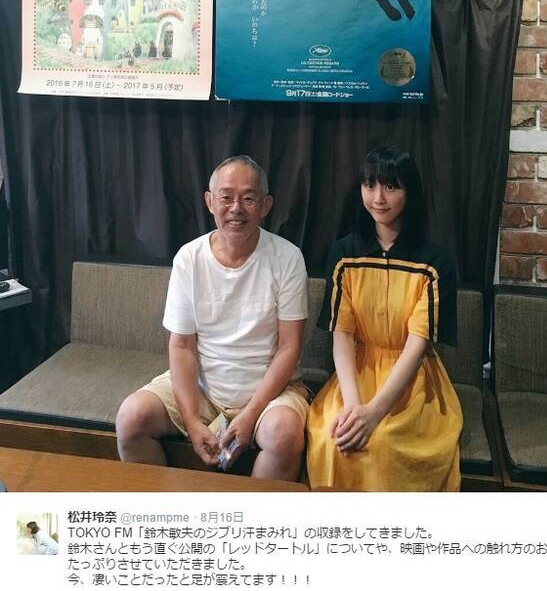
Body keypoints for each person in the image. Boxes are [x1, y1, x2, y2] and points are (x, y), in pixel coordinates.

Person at [116, 155, 308, 481]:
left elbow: (289, 347)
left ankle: (253, 515)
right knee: (131, 417)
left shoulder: (287, 257)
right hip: (203, 389)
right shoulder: (189, 258)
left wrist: (251, 414)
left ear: (266, 205)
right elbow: (181, 345)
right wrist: (192, 420)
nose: (236, 208)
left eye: (248, 199)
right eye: (226, 197)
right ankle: (159, 507)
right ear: (209, 202)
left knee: (284, 435)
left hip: (269, 393)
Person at [306, 146, 462, 491]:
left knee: (384, 443)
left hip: (412, 379)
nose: (378, 198)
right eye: (369, 185)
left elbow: (417, 346)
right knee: (334, 436)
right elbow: (342, 335)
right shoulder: (343, 254)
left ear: (410, 192)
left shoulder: (435, 262)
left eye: (391, 187)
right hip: (354, 372)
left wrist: (375, 412)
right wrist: (353, 406)